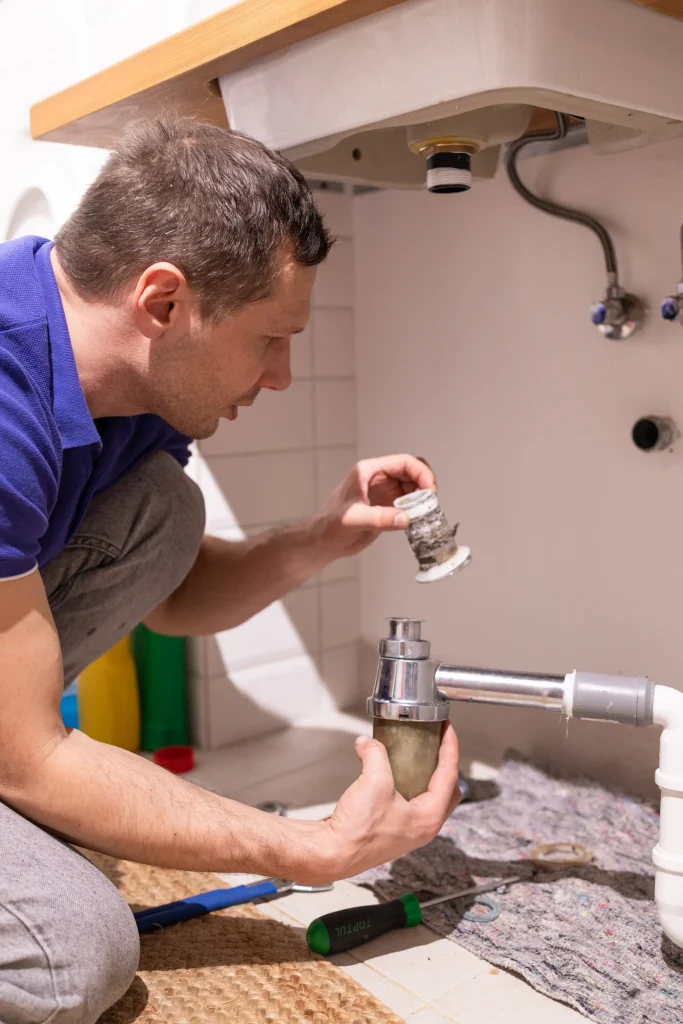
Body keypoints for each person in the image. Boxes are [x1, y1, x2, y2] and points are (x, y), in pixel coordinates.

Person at [0, 116, 460, 1024]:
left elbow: (173, 594)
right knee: (72, 956)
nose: (280, 376)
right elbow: (28, 752)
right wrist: (312, 847)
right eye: (268, 339)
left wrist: (321, 536)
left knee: (166, 508)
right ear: (163, 302)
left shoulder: (125, 382)